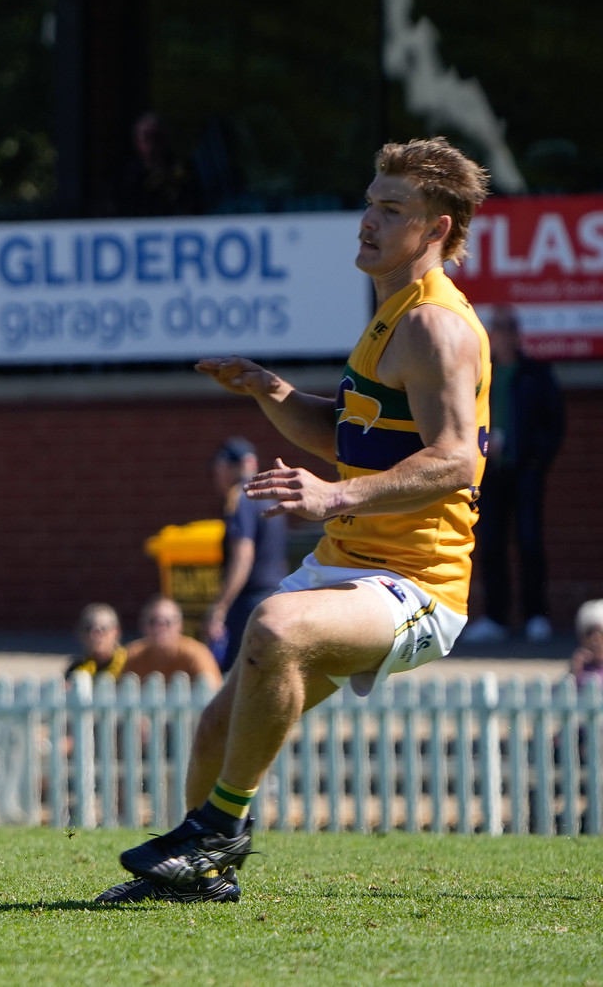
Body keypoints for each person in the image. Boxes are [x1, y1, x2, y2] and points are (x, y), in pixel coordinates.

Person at [100, 137, 492, 905]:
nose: (367, 220)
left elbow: (455, 462)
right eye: (369, 201)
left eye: (391, 209)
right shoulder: (391, 314)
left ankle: (220, 833)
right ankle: (197, 875)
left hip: (418, 582)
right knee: (217, 729)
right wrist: (270, 390)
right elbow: (349, 432)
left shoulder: (436, 326)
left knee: (275, 625)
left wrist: (333, 498)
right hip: (354, 566)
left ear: (437, 229)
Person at [463, 307, 565, 645]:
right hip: (489, 473)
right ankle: (495, 617)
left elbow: (554, 423)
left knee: (530, 542)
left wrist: (537, 459)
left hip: (525, 472)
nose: (502, 334)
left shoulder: (534, 374)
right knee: (490, 543)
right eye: (497, 328)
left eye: (508, 328)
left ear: (518, 334)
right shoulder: (481, 374)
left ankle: (536, 615)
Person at [202, 437, 283, 670]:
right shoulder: (269, 496)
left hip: (249, 602)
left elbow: (243, 555)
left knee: (236, 675)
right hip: (275, 597)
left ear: (227, 467)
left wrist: (220, 606)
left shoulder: (240, 497)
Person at [123, 595, 224, 688]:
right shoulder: (132, 655)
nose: (160, 628)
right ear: (142, 626)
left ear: (180, 626)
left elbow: (213, 692)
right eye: (153, 622)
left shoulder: (196, 654)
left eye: (167, 622)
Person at [66, 603, 126, 680]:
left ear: (116, 632)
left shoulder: (130, 663)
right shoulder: (75, 670)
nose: (94, 635)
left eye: (103, 628)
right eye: (88, 628)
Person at [571, 600, 603, 685]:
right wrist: (575, 671)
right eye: (590, 633)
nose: (596, 639)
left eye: (601, 633)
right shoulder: (579, 667)